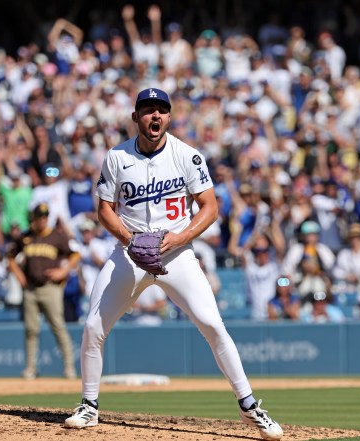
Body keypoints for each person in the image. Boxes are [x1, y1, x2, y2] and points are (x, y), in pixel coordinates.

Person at [64, 88, 283, 440]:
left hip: (176, 253)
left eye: (162, 111)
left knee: (212, 325)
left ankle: (249, 406)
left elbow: (210, 207)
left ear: (169, 117)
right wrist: (129, 241)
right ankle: (89, 406)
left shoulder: (187, 155)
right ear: (135, 117)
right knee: (92, 327)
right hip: (130, 252)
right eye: (148, 110)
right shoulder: (116, 157)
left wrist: (180, 239)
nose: (155, 116)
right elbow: (104, 209)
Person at [7, 203, 80, 380]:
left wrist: (63, 271)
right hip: (31, 288)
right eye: (40, 217)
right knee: (31, 330)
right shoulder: (26, 237)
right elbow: (10, 257)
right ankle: (30, 368)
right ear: (34, 218)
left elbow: (75, 255)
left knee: (58, 327)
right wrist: (19, 275)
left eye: (45, 216)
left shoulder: (56, 236)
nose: (43, 220)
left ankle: (69, 368)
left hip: (50, 288)